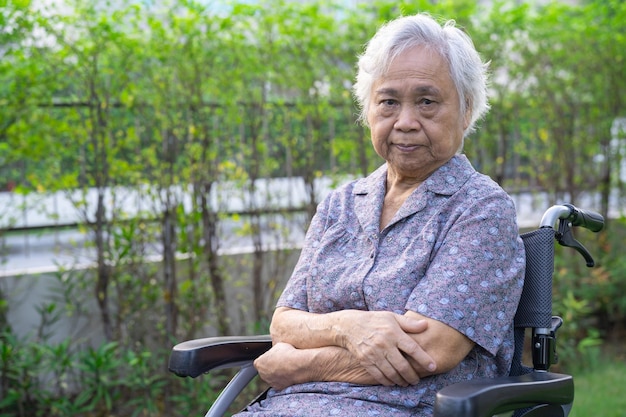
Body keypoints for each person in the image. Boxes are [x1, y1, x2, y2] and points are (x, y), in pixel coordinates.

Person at [236, 12, 525, 417]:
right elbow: (284, 323)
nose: (405, 122)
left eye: (426, 102)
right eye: (388, 101)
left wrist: (298, 363)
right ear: (368, 111)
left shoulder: (479, 208)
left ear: (466, 110)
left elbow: (428, 351)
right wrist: (349, 327)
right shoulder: (339, 205)